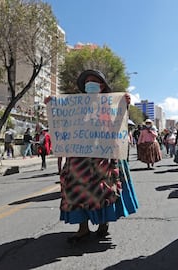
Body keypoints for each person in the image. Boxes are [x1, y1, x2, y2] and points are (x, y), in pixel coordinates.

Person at [57, 69, 138, 243]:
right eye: (87, 82)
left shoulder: (109, 106)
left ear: (102, 86)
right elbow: (64, 125)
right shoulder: (75, 106)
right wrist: (52, 105)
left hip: (102, 155)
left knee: (105, 190)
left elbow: (117, 127)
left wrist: (124, 106)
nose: (90, 84)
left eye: (94, 81)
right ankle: (83, 228)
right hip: (78, 156)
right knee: (75, 190)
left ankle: (103, 224)